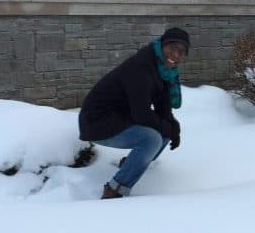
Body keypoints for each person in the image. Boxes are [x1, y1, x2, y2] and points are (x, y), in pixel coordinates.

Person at [78, 27, 190, 199]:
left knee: (165, 131)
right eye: (173, 47)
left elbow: (163, 106)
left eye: (182, 52)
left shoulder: (164, 71)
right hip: (97, 122)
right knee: (151, 138)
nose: (176, 55)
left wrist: (174, 128)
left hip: (120, 117)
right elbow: (142, 114)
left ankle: (132, 165)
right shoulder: (141, 67)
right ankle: (115, 189)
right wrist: (167, 128)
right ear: (162, 45)